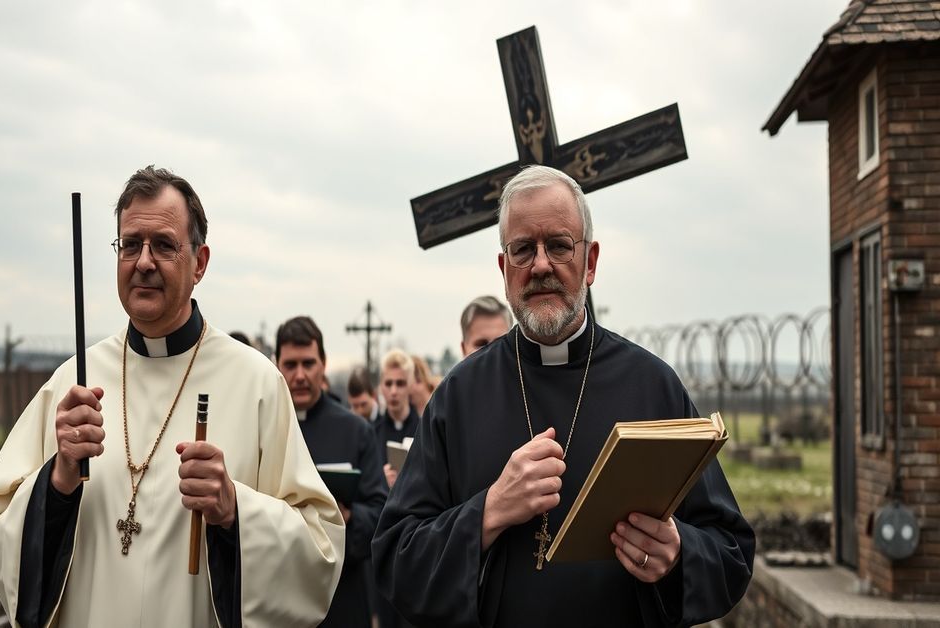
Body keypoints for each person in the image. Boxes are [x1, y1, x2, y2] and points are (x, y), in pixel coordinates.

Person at [371, 165, 754, 627]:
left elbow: (731, 553)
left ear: (590, 262)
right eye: (522, 249)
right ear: (504, 270)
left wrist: (677, 553)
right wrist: (488, 512)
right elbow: (396, 557)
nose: (540, 265)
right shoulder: (458, 395)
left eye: (558, 245)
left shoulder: (652, 386)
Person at [0, 166, 344, 628]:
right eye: (130, 244)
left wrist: (234, 510)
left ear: (200, 262)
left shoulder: (257, 385)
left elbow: (321, 552)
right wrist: (59, 481)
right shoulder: (72, 383)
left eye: (164, 245)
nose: (143, 262)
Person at [275, 316, 388, 628]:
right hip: (279, 594)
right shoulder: (263, 427)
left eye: (308, 363)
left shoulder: (356, 431)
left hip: (342, 596)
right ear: (277, 365)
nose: (300, 375)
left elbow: (381, 514)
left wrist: (346, 516)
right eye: (291, 364)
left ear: (323, 364)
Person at [372, 349, 420, 491]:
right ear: (381, 386)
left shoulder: (425, 430)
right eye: (388, 383)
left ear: (410, 386)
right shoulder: (372, 433)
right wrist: (381, 480)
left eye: (400, 383)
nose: (393, 391)